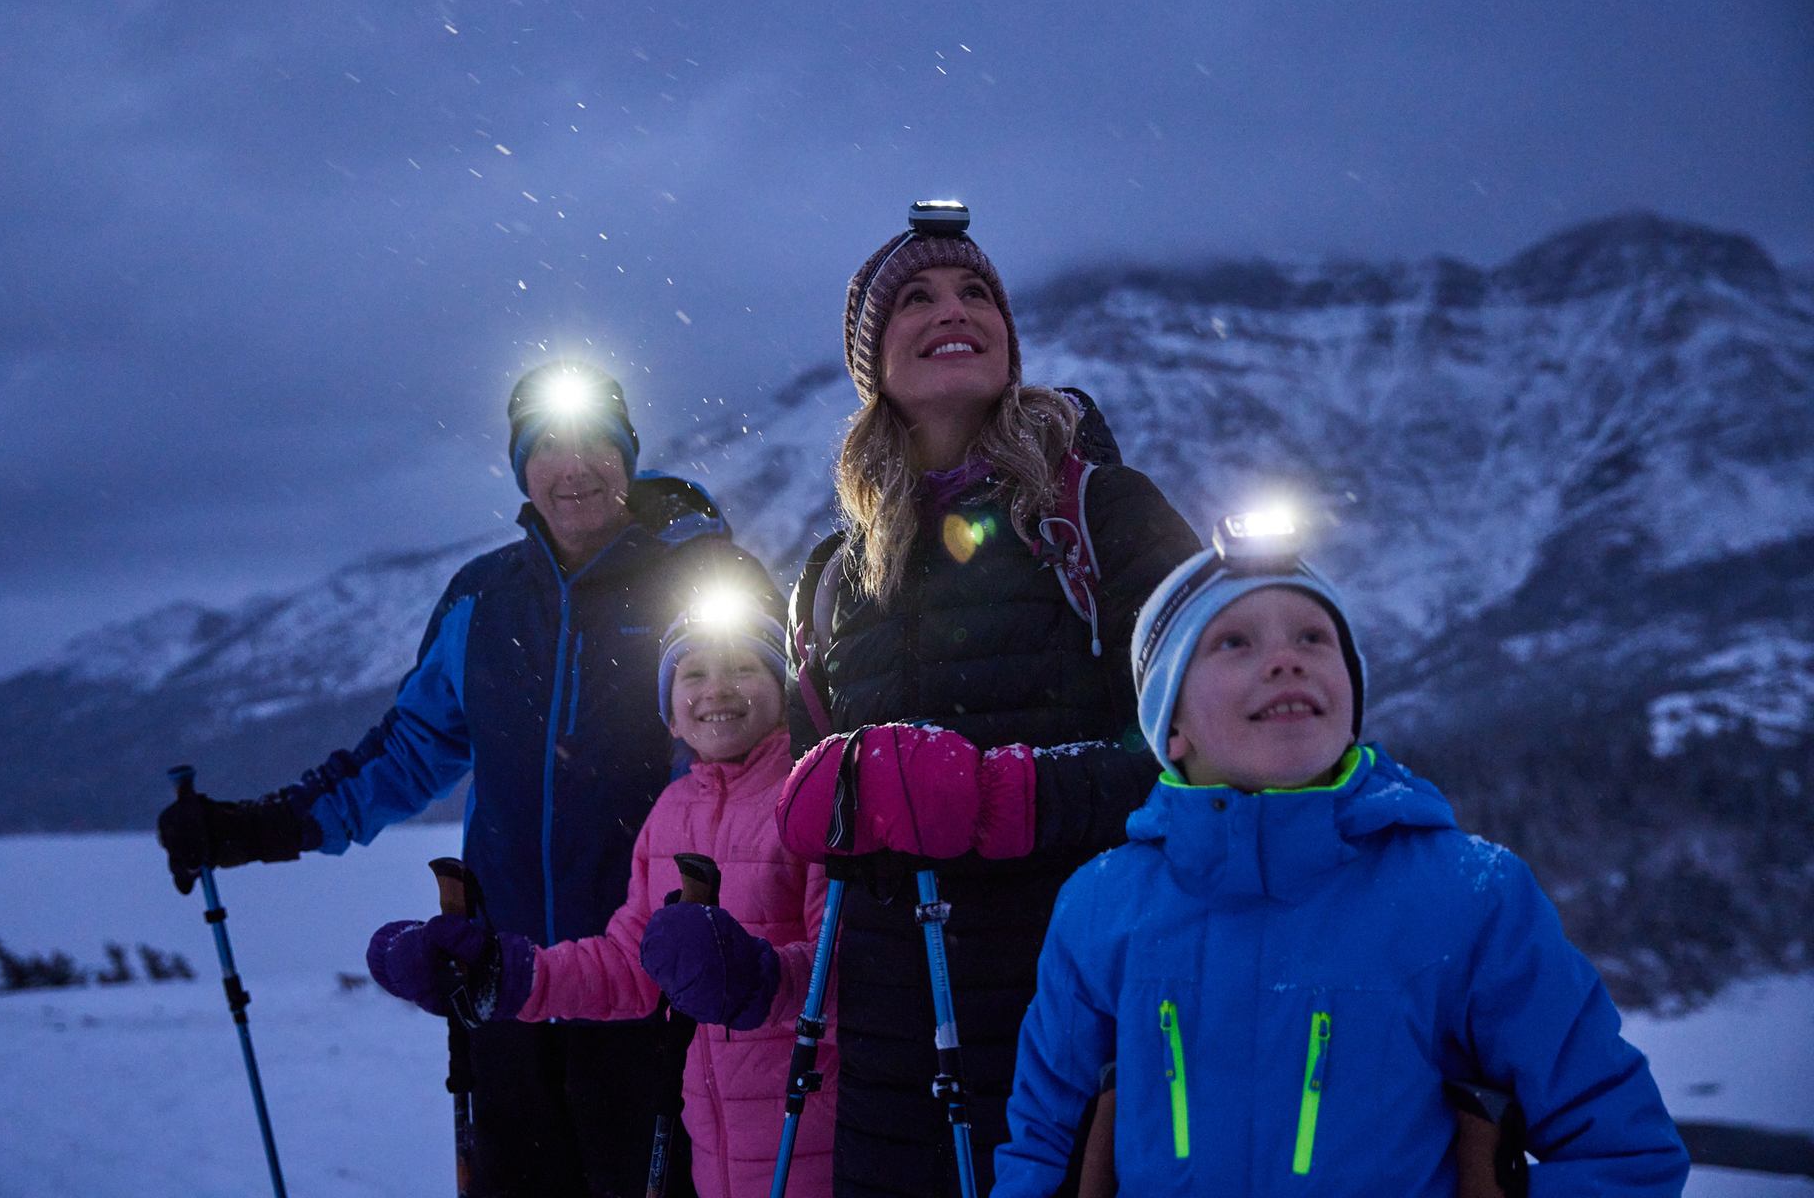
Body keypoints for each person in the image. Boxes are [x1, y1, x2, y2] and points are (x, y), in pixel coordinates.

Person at [157, 361, 771, 1198]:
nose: (574, 464)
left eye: (596, 441)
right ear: (522, 466)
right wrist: (259, 827)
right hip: (507, 987)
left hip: (657, 992)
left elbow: (759, 761)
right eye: (548, 444)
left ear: (628, 456)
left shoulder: (701, 583)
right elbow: (407, 752)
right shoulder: (482, 601)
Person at [992, 513, 1690, 1195]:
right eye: (1234, 642)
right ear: (1170, 726)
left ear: (1352, 697)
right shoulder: (1101, 906)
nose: (1286, 658)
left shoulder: (1469, 896)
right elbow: (1044, 1147)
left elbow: (1623, 1151)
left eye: (1314, 638)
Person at [771, 202, 1203, 1196]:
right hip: (890, 1045)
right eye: (913, 297)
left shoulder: (1103, 514)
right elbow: (816, 809)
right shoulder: (833, 578)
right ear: (872, 362)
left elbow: (1208, 752)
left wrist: (1006, 796)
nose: (951, 308)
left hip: (1087, 1019)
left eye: (977, 292)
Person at [364, 595, 836, 1198]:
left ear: (784, 688)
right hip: (714, 1146)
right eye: (693, 674)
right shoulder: (671, 813)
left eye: (743, 667)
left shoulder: (812, 798)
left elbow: (849, 969)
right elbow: (630, 966)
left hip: (817, 1128)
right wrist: (506, 975)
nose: (717, 688)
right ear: (669, 715)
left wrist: (759, 980)